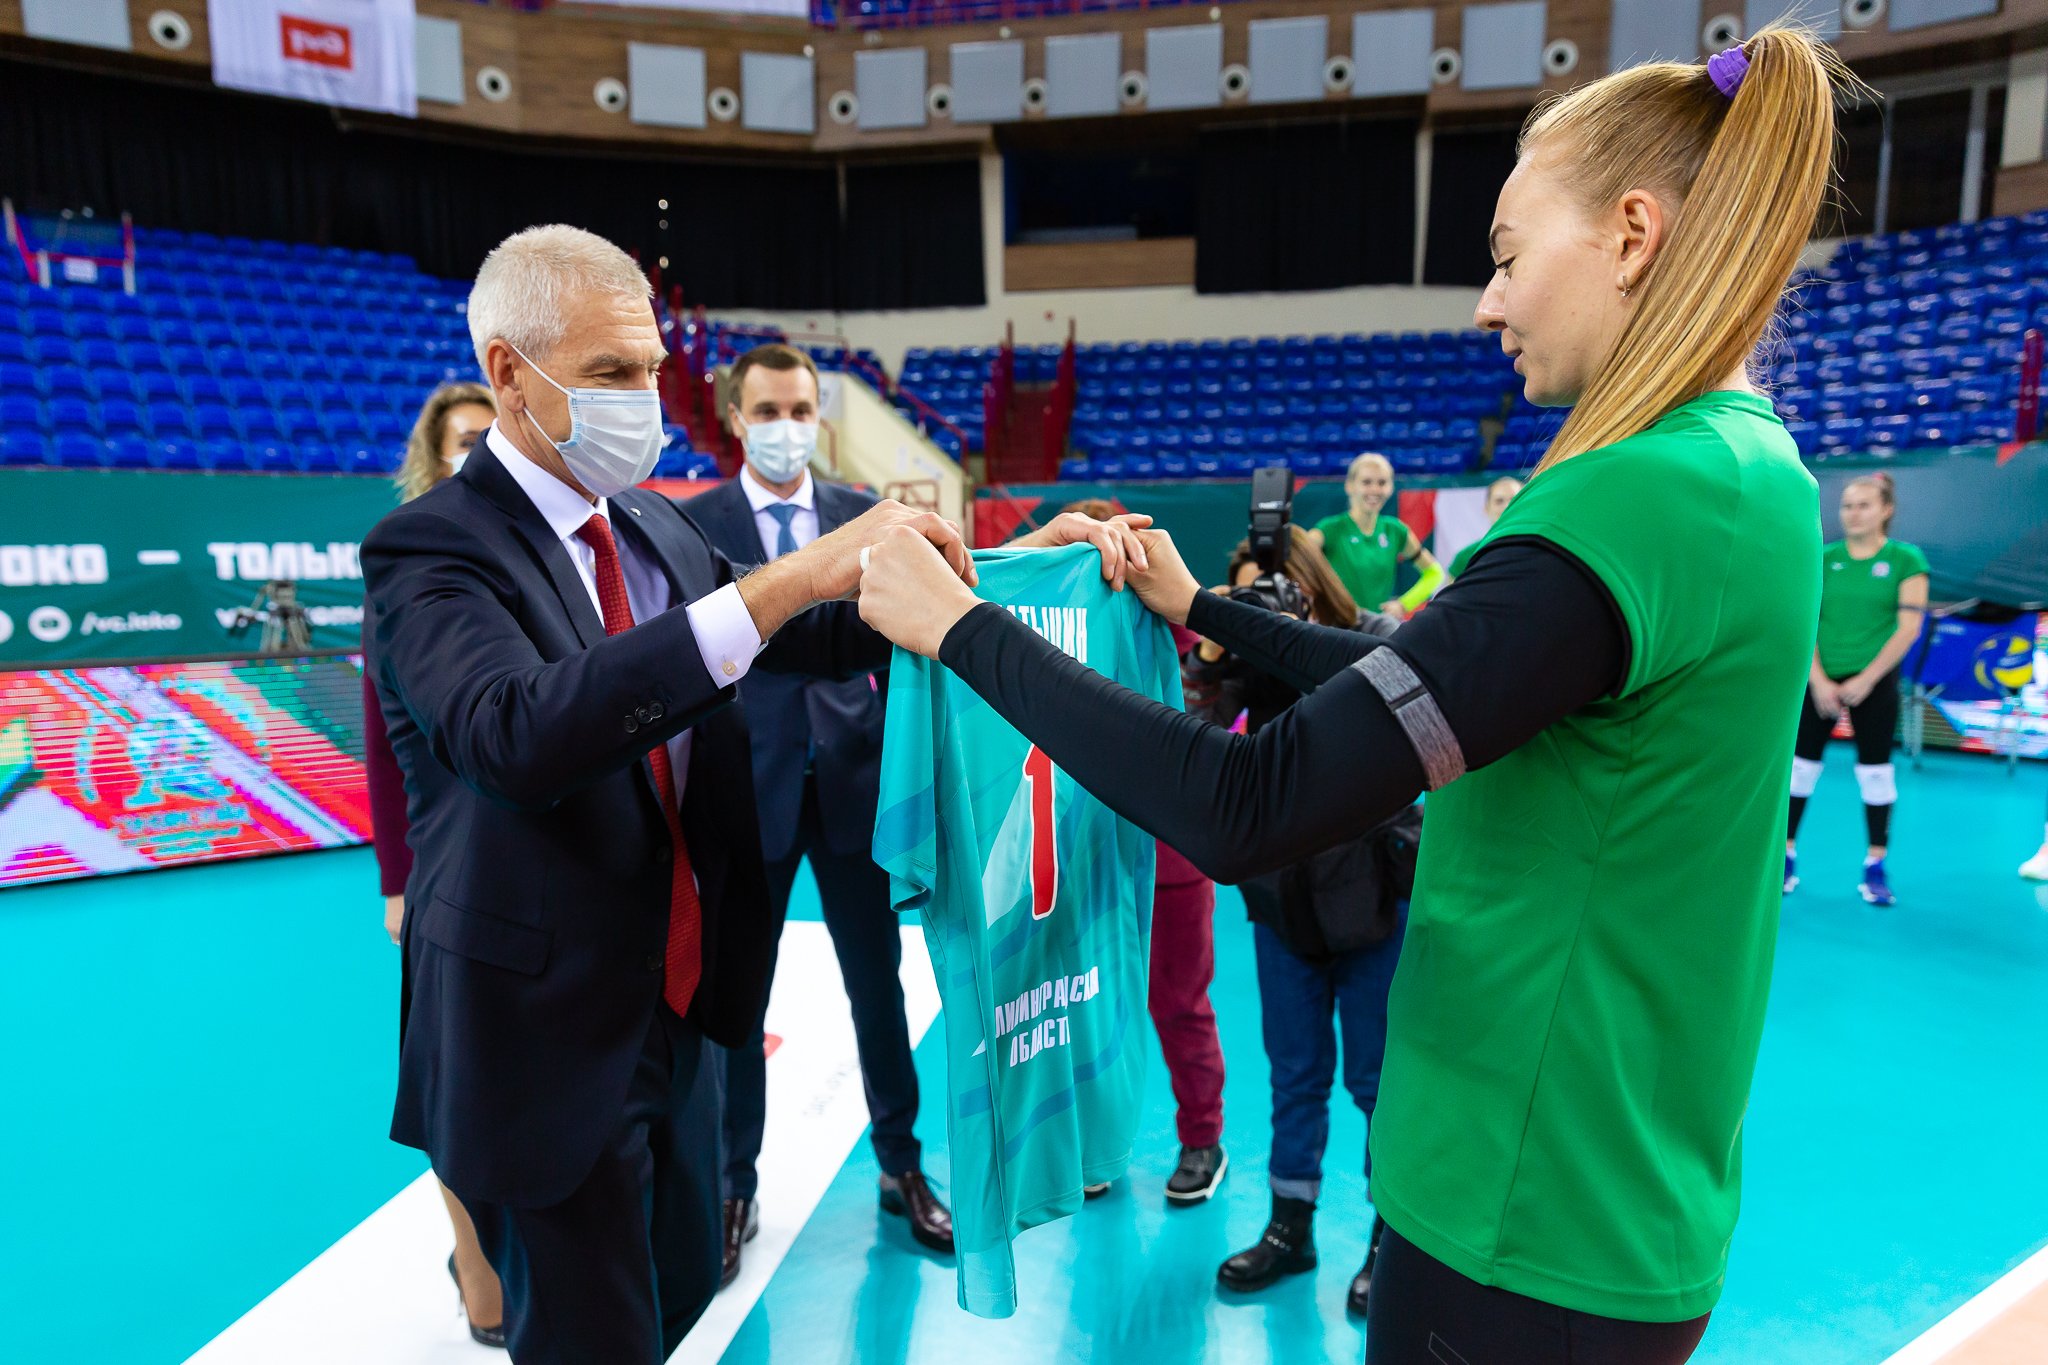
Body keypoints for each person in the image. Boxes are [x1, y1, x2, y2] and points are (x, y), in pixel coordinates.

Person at [855, 28, 1842, 1364]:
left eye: (1506, 256)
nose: (1487, 305)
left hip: (1523, 1213)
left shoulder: (1641, 492)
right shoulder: (1744, 470)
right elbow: (1433, 678)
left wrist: (963, 628)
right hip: (1606, 1186)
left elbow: (1250, 802)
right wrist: (1203, 610)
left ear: (1630, 235)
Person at [361, 224, 981, 1365]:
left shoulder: (650, 523)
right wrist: (791, 578)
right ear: (508, 373)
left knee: (680, 1297)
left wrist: (1008, 574)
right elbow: (514, 733)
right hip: (543, 1042)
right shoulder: (429, 550)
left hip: (678, 1008)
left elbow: (806, 634)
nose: (642, 398)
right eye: (609, 372)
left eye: (649, 368)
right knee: (591, 1338)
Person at [680, 342, 951, 1284]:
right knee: (738, 998)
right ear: (736, 417)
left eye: (800, 409)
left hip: (853, 784)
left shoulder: (862, 516)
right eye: (768, 410)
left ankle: (902, 1164)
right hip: (743, 787)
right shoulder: (697, 526)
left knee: (879, 985)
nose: (786, 426)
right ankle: (732, 1185)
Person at [1193, 527, 1412, 1318]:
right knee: (1294, 1070)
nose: (1265, 611)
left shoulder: (1372, 635)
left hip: (1373, 896)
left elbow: (1389, 701)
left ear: (1310, 584)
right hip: (1284, 900)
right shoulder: (1243, 659)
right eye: (1247, 598)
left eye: (1274, 593)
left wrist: (1298, 638)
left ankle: (1391, 1239)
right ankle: (1291, 1226)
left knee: (1379, 1080)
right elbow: (1194, 732)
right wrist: (1214, 648)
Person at [364, 379, 504, 1346]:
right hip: (446, 864)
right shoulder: (410, 553)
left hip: (534, 857)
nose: (480, 451)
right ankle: (476, 1268)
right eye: (463, 439)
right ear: (434, 453)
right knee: (453, 1087)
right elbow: (385, 740)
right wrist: (397, 878)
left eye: (492, 434)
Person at [1046, 499, 1229, 1209]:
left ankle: (1203, 1138)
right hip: (1083, 850)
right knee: (1090, 1002)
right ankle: (1103, 1143)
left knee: (1178, 1002)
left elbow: (1195, 633)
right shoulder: (1048, 628)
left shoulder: (1166, 620)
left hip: (1170, 855)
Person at [1785, 473, 1928, 907]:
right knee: (1799, 770)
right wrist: (1819, 680)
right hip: (1819, 683)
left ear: (1886, 510)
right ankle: (1784, 860)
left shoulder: (1906, 560)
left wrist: (1867, 679)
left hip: (1875, 685)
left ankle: (1875, 867)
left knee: (1875, 773)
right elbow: (1804, 622)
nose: (1853, 513)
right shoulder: (1824, 558)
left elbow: (1908, 628)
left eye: (1864, 505)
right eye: (1847, 505)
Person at [1308, 453, 1444, 620]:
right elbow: (1296, 558)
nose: (1375, 490)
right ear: (1349, 486)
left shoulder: (1395, 530)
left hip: (1378, 627)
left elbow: (1434, 573)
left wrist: (1404, 604)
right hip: (1338, 627)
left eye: (1382, 483)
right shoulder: (1329, 529)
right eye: (1366, 482)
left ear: (1391, 487)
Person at [1445, 476, 1523, 579]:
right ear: (1486, 509)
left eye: (1514, 500)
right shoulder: (1466, 557)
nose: (1507, 506)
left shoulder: (1540, 550)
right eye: (1499, 501)